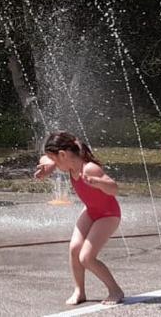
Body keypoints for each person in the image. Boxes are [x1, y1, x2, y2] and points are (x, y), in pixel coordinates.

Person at [34, 131, 124, 307]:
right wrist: (43, 169)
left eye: (55, 158)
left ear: (63, 155)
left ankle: (116, 290)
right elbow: (46, 160)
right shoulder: (66, 162)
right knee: (74, 248)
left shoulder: (89, 168)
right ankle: (79, 291)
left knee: (86, 258)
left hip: (108, 215)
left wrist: (98, 183)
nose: (53, 162)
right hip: (91, 211)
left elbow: (114, 188)